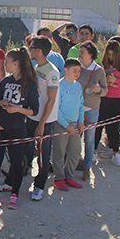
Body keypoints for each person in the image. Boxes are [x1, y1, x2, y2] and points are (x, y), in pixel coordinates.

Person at [0, 47, 39, 210]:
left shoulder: (29, 84)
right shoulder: (5, 81)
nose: (4, 64)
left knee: (17, 163)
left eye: (7, 61)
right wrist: (0, 104)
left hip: (18, 129)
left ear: (16, 63)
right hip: (0, 128)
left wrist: (17, 109)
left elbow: (34, 110)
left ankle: (14, 194)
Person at [28, 36, 60, 201]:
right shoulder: (36, 67)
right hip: (32, 116)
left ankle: (39, 186)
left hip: (44, 121)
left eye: (32, 47)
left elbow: (51, 100)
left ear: (38, 51)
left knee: (42, 155)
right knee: (27, 150)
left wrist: (41, 124)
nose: (29, 49)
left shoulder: (52, 71)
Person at [95, 39, 120, 166]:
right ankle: (93, 151)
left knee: (113, 129)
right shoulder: (102, 65)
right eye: (108, 54)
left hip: (117, 100)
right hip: (103, 98)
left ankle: (115, 152)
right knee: (98, 126)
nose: (110, 57)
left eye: (113, 54)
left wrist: (116, 81)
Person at [52, 58, 85, 191]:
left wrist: (81, 121)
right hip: (61, 124)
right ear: (66, 70)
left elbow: (81, 105)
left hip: (75, 124)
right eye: (74, 70)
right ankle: (59, 178)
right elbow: (56, 109)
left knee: (75, 151)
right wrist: (66, 125)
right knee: (59, 152)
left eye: (79, 71)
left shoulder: (78, 86)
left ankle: (69, 176)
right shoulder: (59, 85)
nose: (77, 73)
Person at [77, 41, 107, 182]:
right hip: (76, 109)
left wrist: (99, 90)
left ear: (91, 54)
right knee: (74, 140)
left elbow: (105, 90)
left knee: (89, 140)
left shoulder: (99, 70)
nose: (80, 54)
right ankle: (73, 164)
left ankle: (87, 168)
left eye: (82, 51)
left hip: (92, 109)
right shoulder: (75, 66)